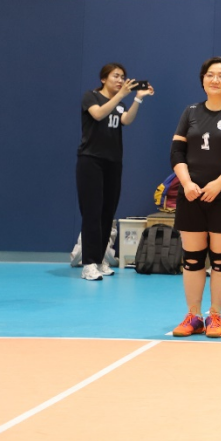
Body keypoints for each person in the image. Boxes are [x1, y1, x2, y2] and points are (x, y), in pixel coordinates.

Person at [169, 57, 221, 338]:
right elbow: (177, 153)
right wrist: (187, 183)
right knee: (193, 259)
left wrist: (218, 184)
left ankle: (215, 315)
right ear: (202, 79)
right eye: (209, 75)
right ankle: (193, 316)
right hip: (191, 195)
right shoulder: (191, 112)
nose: (215, 80)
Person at [76, 63, 153, 281]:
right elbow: (98, 114)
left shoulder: (119, 103)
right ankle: (88, 263)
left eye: (123, 77)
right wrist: (120, 95)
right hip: (91, 161)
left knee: (107, 213)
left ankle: (100, 259)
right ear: (103, 79)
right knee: (92, 213)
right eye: (115, 76)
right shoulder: (91, 97)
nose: (120, 80)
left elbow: (126, 119)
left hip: (113, 162)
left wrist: (138, 99)